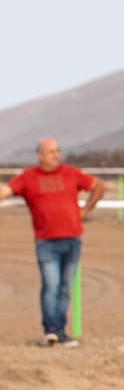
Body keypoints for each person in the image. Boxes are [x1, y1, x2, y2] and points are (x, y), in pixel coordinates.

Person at [2, 139, 104, 346]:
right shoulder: (29, 178)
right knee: (51, 284)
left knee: (65, 287)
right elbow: (5, 192)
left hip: (73, 239)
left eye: (57, 151)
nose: (55, 155)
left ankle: (61, 330)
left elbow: (98, 187)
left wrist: (84, 211)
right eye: (50, 152)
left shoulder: (71, 173)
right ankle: (50, 329)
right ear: (40, 156)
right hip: (46, 242)